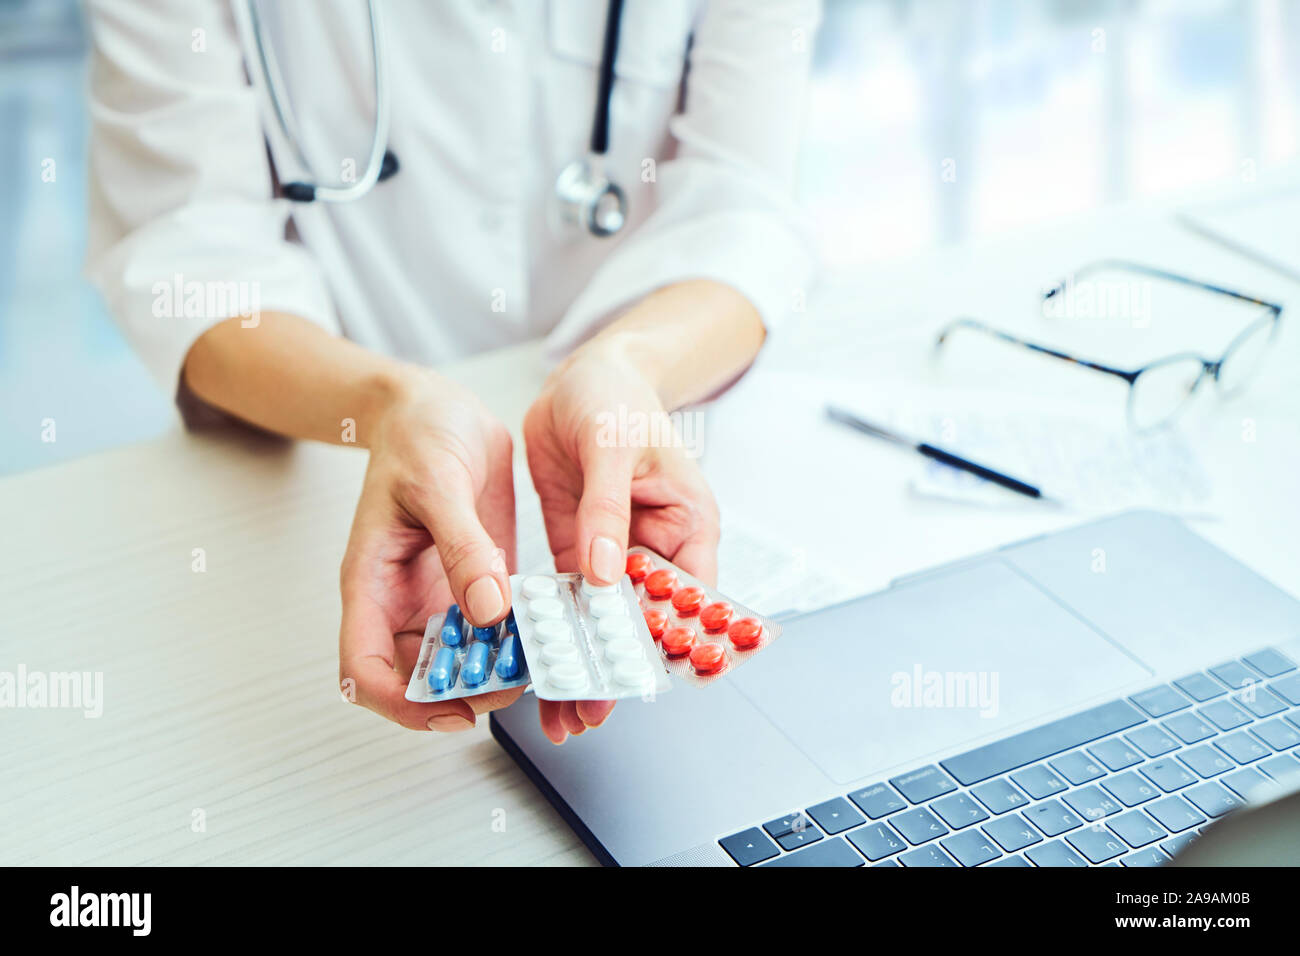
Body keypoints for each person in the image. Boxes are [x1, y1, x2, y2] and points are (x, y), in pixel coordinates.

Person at [85, 0, 819, 743]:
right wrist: (385, 405)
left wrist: (630, 365)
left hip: (652, 459)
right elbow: (189, 259)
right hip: (340, 483)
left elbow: (745, 212)